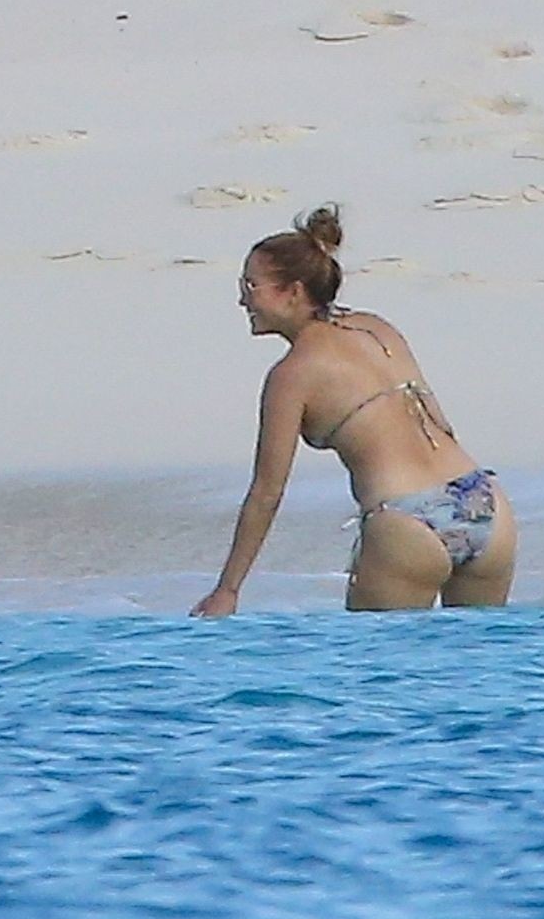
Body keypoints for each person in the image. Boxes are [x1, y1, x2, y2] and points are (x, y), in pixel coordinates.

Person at [192, 205, 515, 614]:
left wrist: (228, 590)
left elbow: (266, 493)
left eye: (251, 285)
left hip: (406, 523)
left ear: (293, 292)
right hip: (482, 500)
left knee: (377, 656)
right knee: (476, 654)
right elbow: (441, 424)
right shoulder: (376, 328)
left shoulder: (291, 376)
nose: (242, 299)